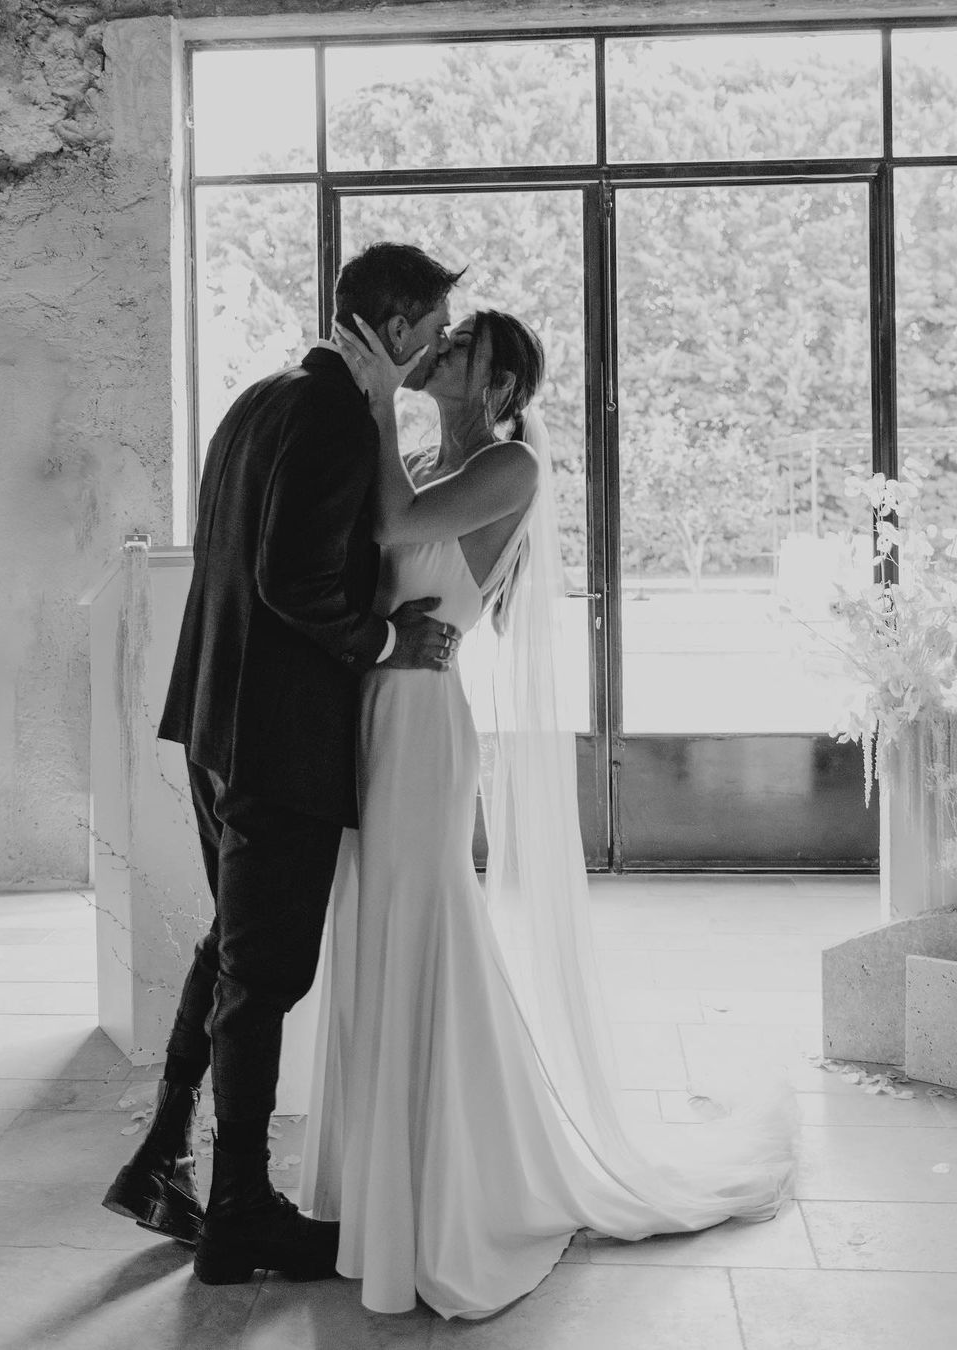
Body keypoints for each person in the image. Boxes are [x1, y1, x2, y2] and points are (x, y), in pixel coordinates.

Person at [302, 309, 797, 1319]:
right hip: (370, 710)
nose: (437, 353)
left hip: (422, 725)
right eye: (440, 343)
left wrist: (377, 399)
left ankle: (456, 1194)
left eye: (459, 350)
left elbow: (393, 527)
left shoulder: (510, 468)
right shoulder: (426, 456)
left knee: (421, 929)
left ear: (498, 388)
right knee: (373, 928)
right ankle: (379, 1192)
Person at [102, 242, 466, 1285]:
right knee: (265, 977)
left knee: (234, 949)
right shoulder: (337, 416)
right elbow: (292, 580)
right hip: (280, 741)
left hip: (216, 727)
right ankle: (240, 1214)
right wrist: (390, 641)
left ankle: (163, 1157)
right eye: (433, 332)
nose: (436, 350)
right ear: (393, 329)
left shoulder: (261, 398)